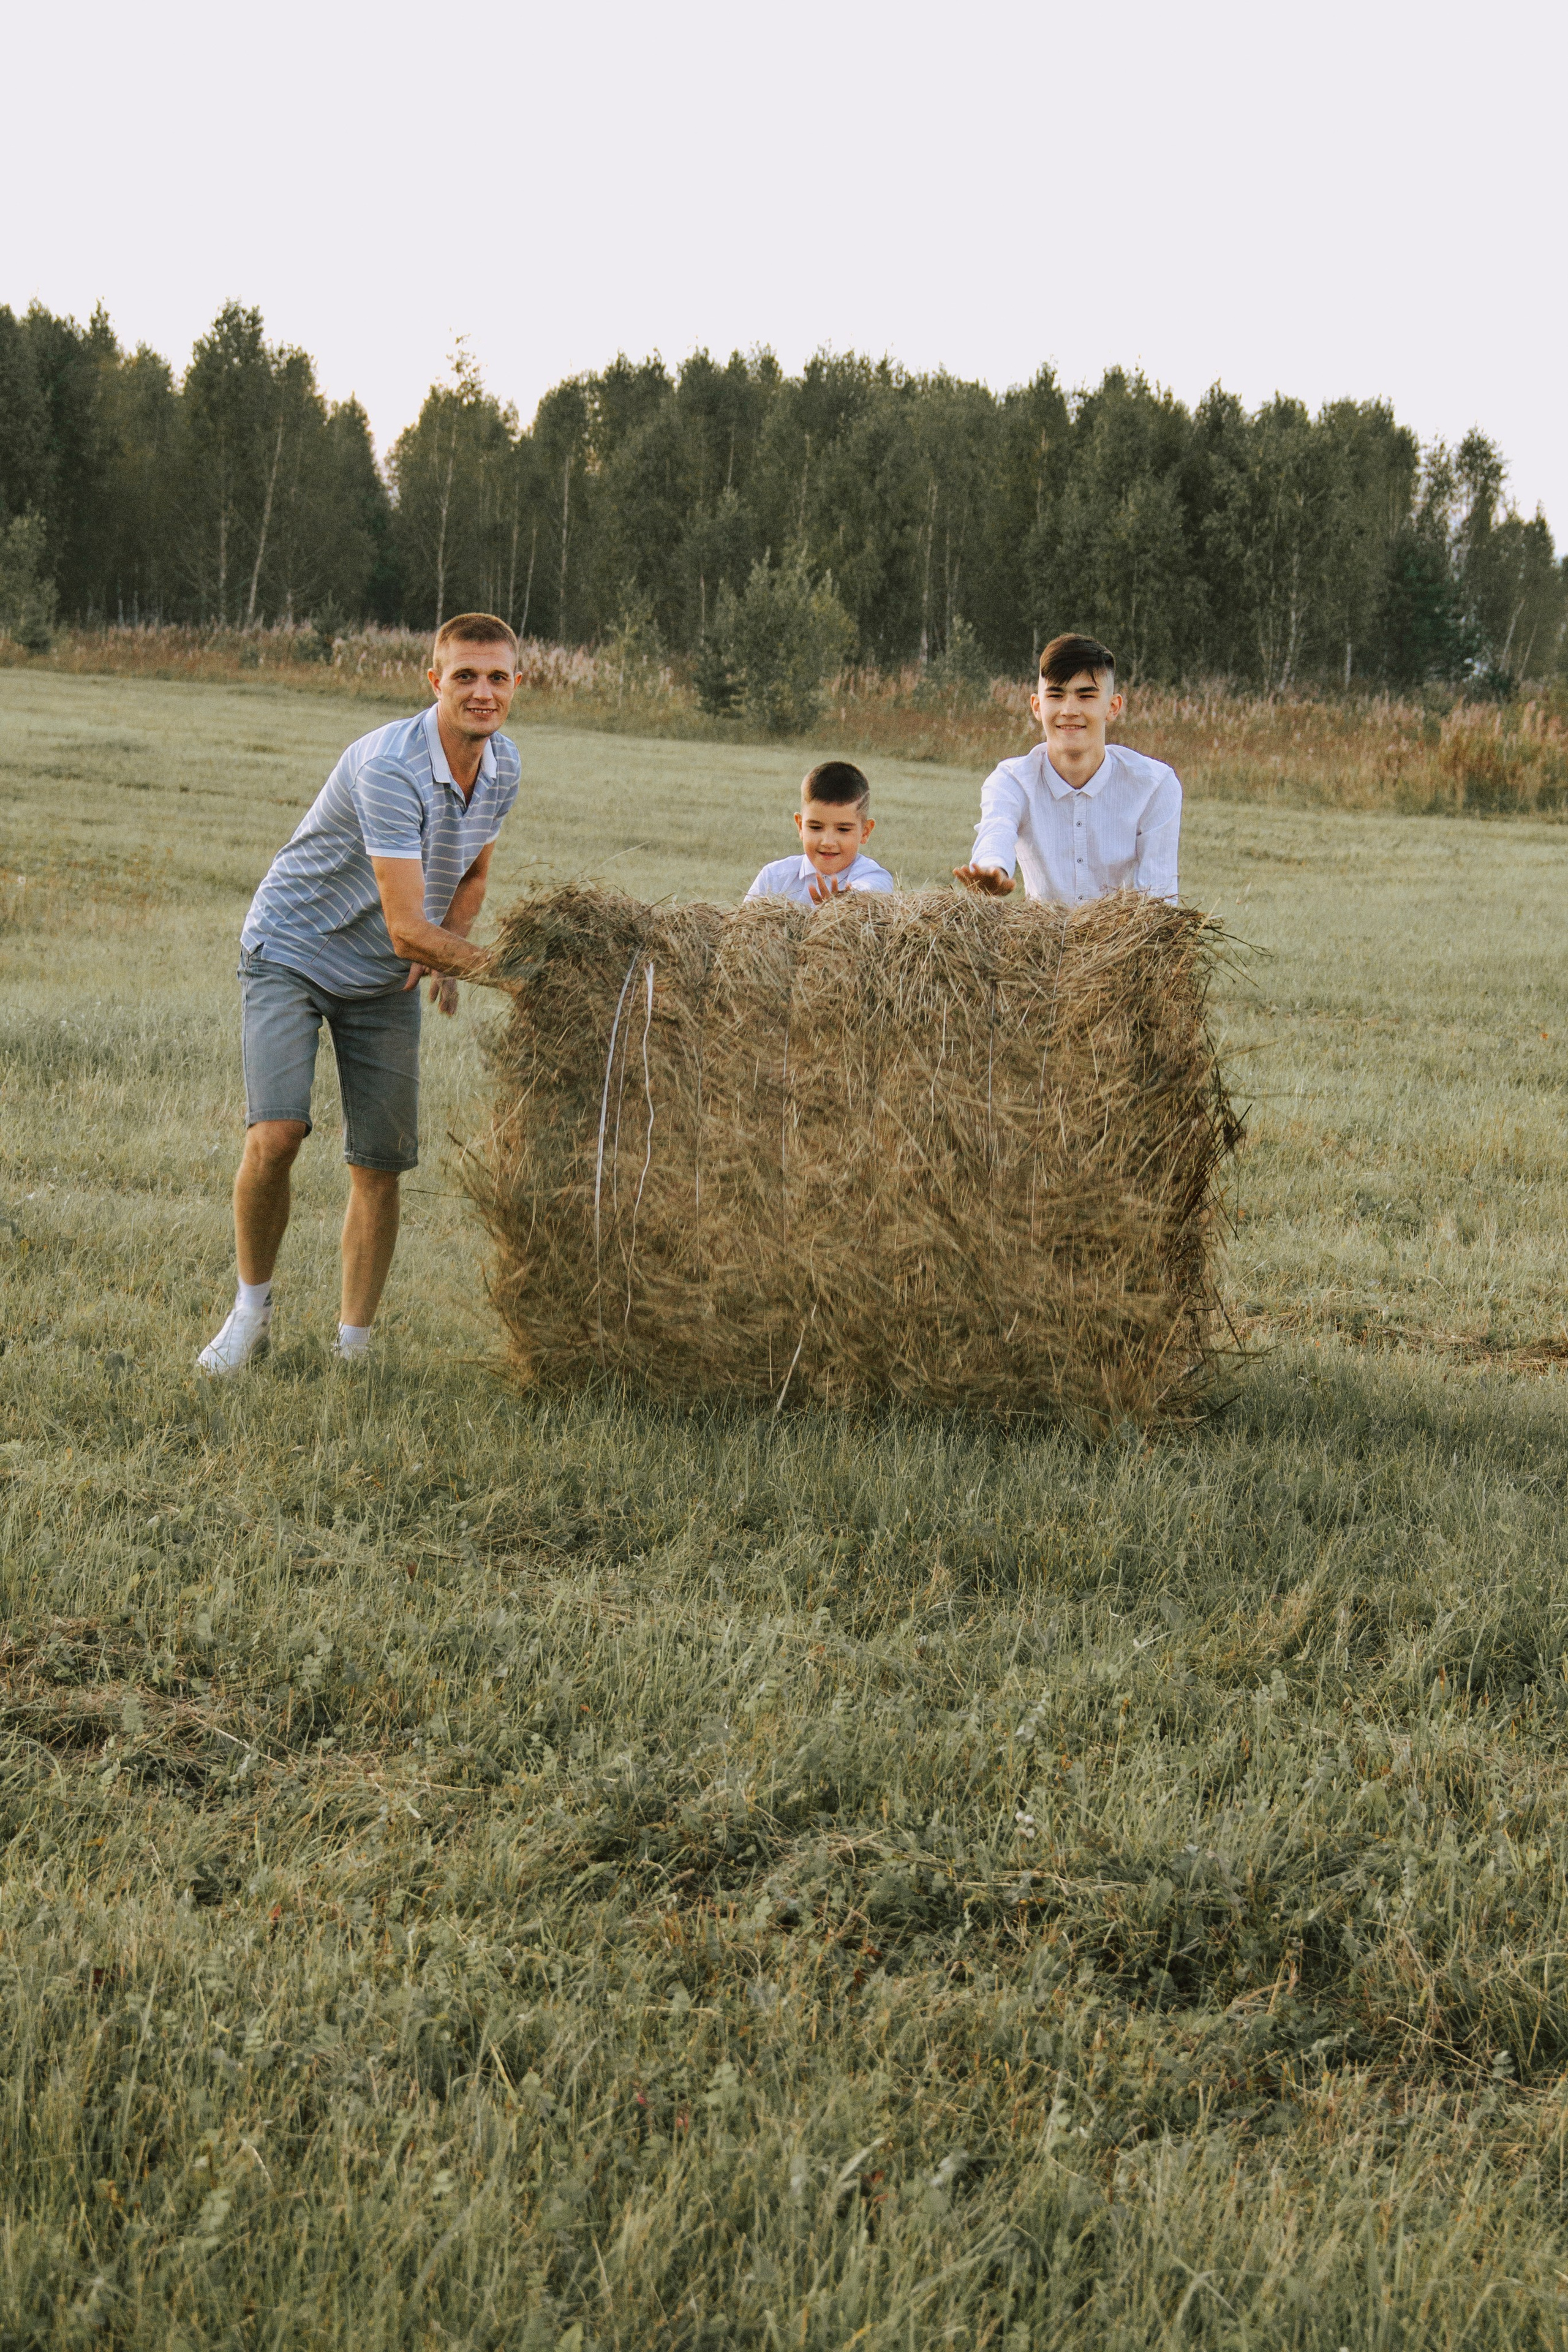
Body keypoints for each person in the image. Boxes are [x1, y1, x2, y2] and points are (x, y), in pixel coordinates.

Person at [198, 614, 524, 1375]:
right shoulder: (390, 765)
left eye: (497, 677)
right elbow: (408, 925)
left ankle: (353, 1354)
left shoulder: (503, 766)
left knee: (379, 1164)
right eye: (465, 676)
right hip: (293, 949)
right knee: (276, 1137)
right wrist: (508, 975)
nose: (482, 692)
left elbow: (472, 873)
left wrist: (450, 951)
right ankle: (250, 1316)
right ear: (433, 680)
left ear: (517, 685)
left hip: (384, 974)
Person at [954, 633, 1180, 905]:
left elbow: (1159, 897)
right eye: (1056, 695)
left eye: (1086, 696)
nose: (1069, 710)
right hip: (1038, 942)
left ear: (1113, 707)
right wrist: (993, 870)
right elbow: (996, 829)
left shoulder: (1154, 785)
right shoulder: (1012, 780)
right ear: (1037, 706)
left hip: (1122, 942)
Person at [744, 760, 895, 907]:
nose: (828, 842)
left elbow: (869, 896)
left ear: (865, 832)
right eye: (816, 827)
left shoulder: (873, 876)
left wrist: (843, 908)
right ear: (800, 826)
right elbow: (745, 926)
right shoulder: (773, 879)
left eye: (843, 830)